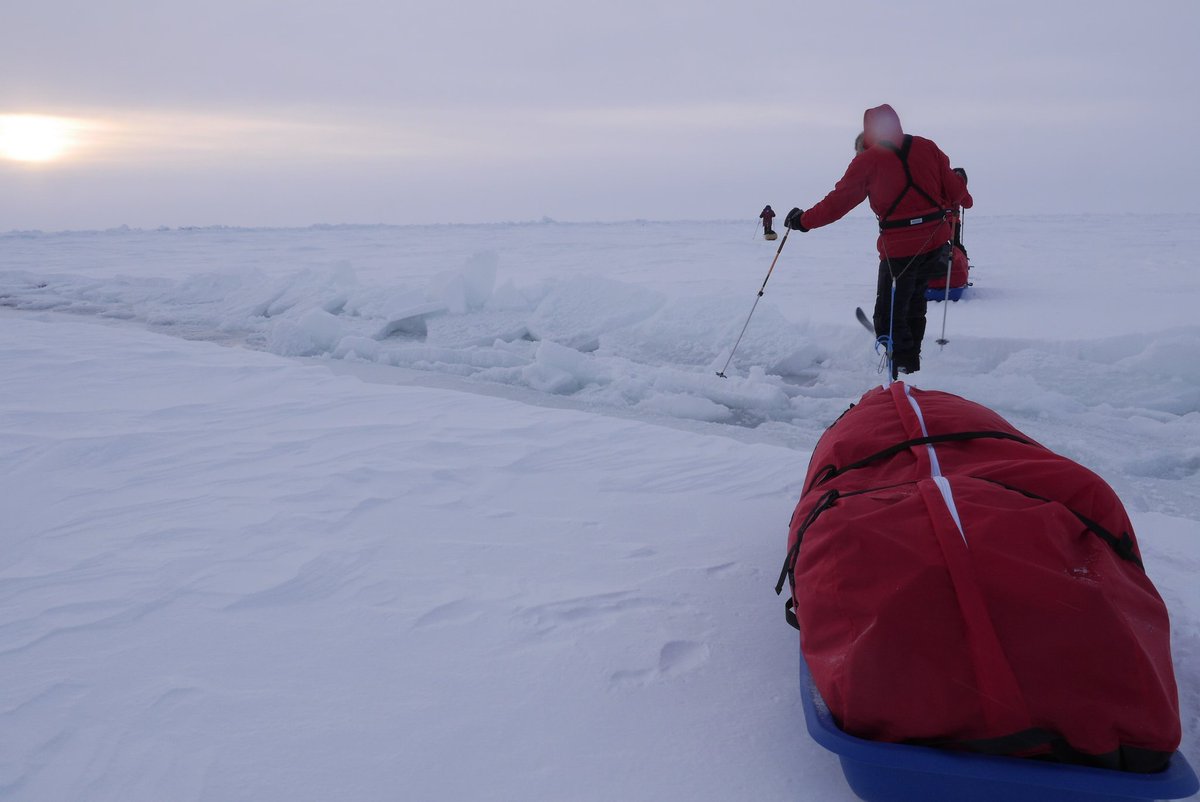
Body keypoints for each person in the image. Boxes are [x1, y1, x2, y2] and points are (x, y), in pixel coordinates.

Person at [784, 104, 972, 378]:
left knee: (890, 316)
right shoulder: (927, 147)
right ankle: (911, 366)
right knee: (914, 303)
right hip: (934, 244)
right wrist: (966, 198)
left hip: (899, 251)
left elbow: (837, 203)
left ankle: (900, 369)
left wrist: (802, 221)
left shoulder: (867, 161)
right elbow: (956, 192)